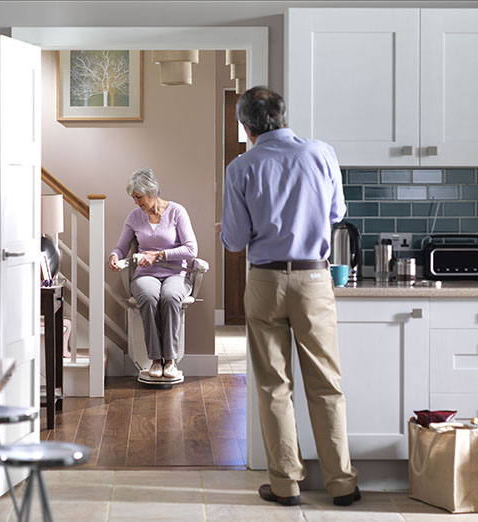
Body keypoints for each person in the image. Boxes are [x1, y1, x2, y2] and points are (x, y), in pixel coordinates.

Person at [217, 86, 360, 507]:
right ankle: (341, 484)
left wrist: (226, 231)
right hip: (315, 280)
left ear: (245, 126)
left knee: (274, 386)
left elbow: (235, 239)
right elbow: (337, 214)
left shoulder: (241, 167)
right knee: (326, 385)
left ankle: (286, 486)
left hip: (265, 281)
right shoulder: (321, 153)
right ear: (281, 116)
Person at [109, 167, 197, 379]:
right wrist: (114, 255)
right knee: (148, 296)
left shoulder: (177, 212)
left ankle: (171, 360)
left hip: (176, 273)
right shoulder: (134, 217)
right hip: (145, 275)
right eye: (134, 198)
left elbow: (191, 249)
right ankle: (156, 360)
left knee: (170, 296)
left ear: (152, 191)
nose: (136, 202)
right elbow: (122, 247)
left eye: (139, 197)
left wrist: (158, 256)